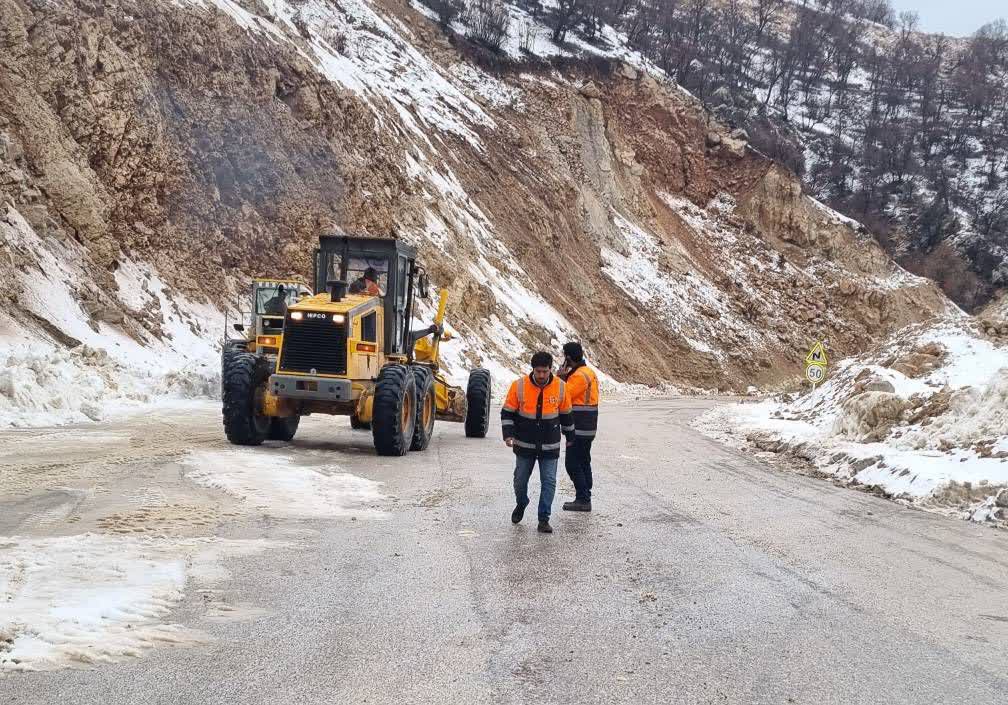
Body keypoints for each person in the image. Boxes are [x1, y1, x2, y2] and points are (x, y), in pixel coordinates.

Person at [501, 351, 575, 534]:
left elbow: (566, 415)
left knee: (549, 481)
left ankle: (544, 519)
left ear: (551, 369)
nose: (541, 375)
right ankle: (522, 502)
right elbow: (507, 412)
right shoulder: (518, 386)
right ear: (532, 369)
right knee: (519, 480)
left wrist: (570, 437)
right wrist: (508, 434)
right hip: (524, 444)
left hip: (550, 445)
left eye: (545, 371)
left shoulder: (561, 387)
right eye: (538, 371)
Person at [558, 341, 599, 512]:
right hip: (588, 425)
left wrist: (560, 377)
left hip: (579, 427)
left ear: (567, 357)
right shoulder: (587, 372)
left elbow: (564, 394)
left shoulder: (579, 375)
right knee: (583, 460)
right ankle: (585, 494)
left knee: (572, 463)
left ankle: (583, 498)